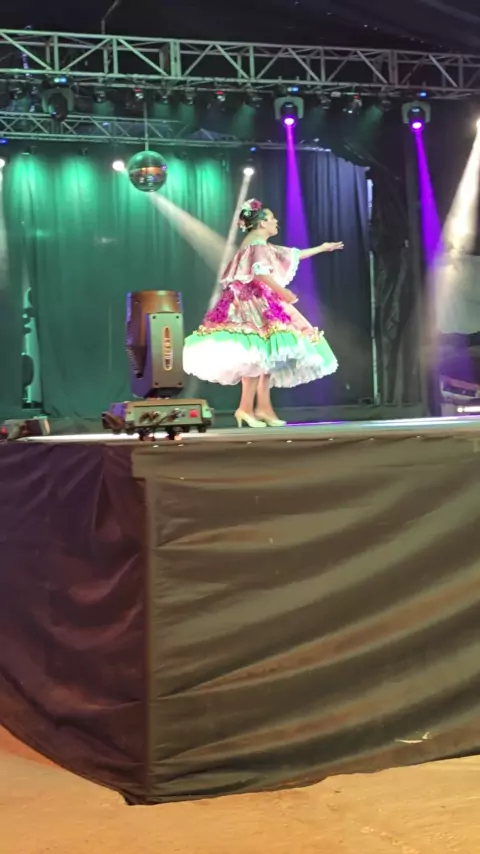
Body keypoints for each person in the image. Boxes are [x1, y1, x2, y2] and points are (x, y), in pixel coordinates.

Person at [183, 199, 343, 427]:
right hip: (251, 301)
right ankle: (247, 408)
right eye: (271, 218)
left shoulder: (258, 243)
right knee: (258, 354)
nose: (276, 222)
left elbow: (288, 254)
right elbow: (260, 273)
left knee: (266, 356)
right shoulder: (257, 244)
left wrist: (321, 248)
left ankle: (262, 408)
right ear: (261, 223)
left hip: (256, 299)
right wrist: (283, 292)